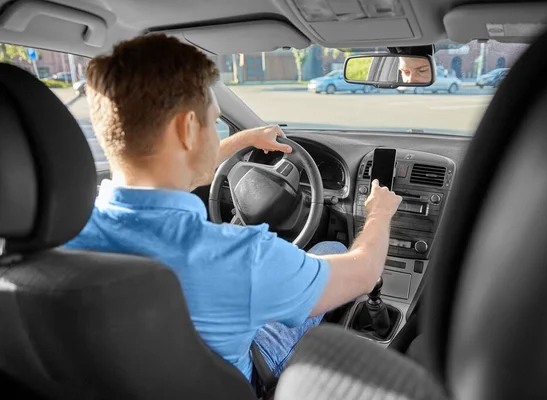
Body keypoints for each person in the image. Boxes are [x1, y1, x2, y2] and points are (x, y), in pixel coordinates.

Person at [65, 34, 402, 383]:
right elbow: (364, 273)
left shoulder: (65, 235)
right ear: (187, 129)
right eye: (214, 122)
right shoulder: (240, 255)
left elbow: (181, 171)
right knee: (332, 249)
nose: (216, 132)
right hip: (244, 375)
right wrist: (380, 213)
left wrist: (244, 139)